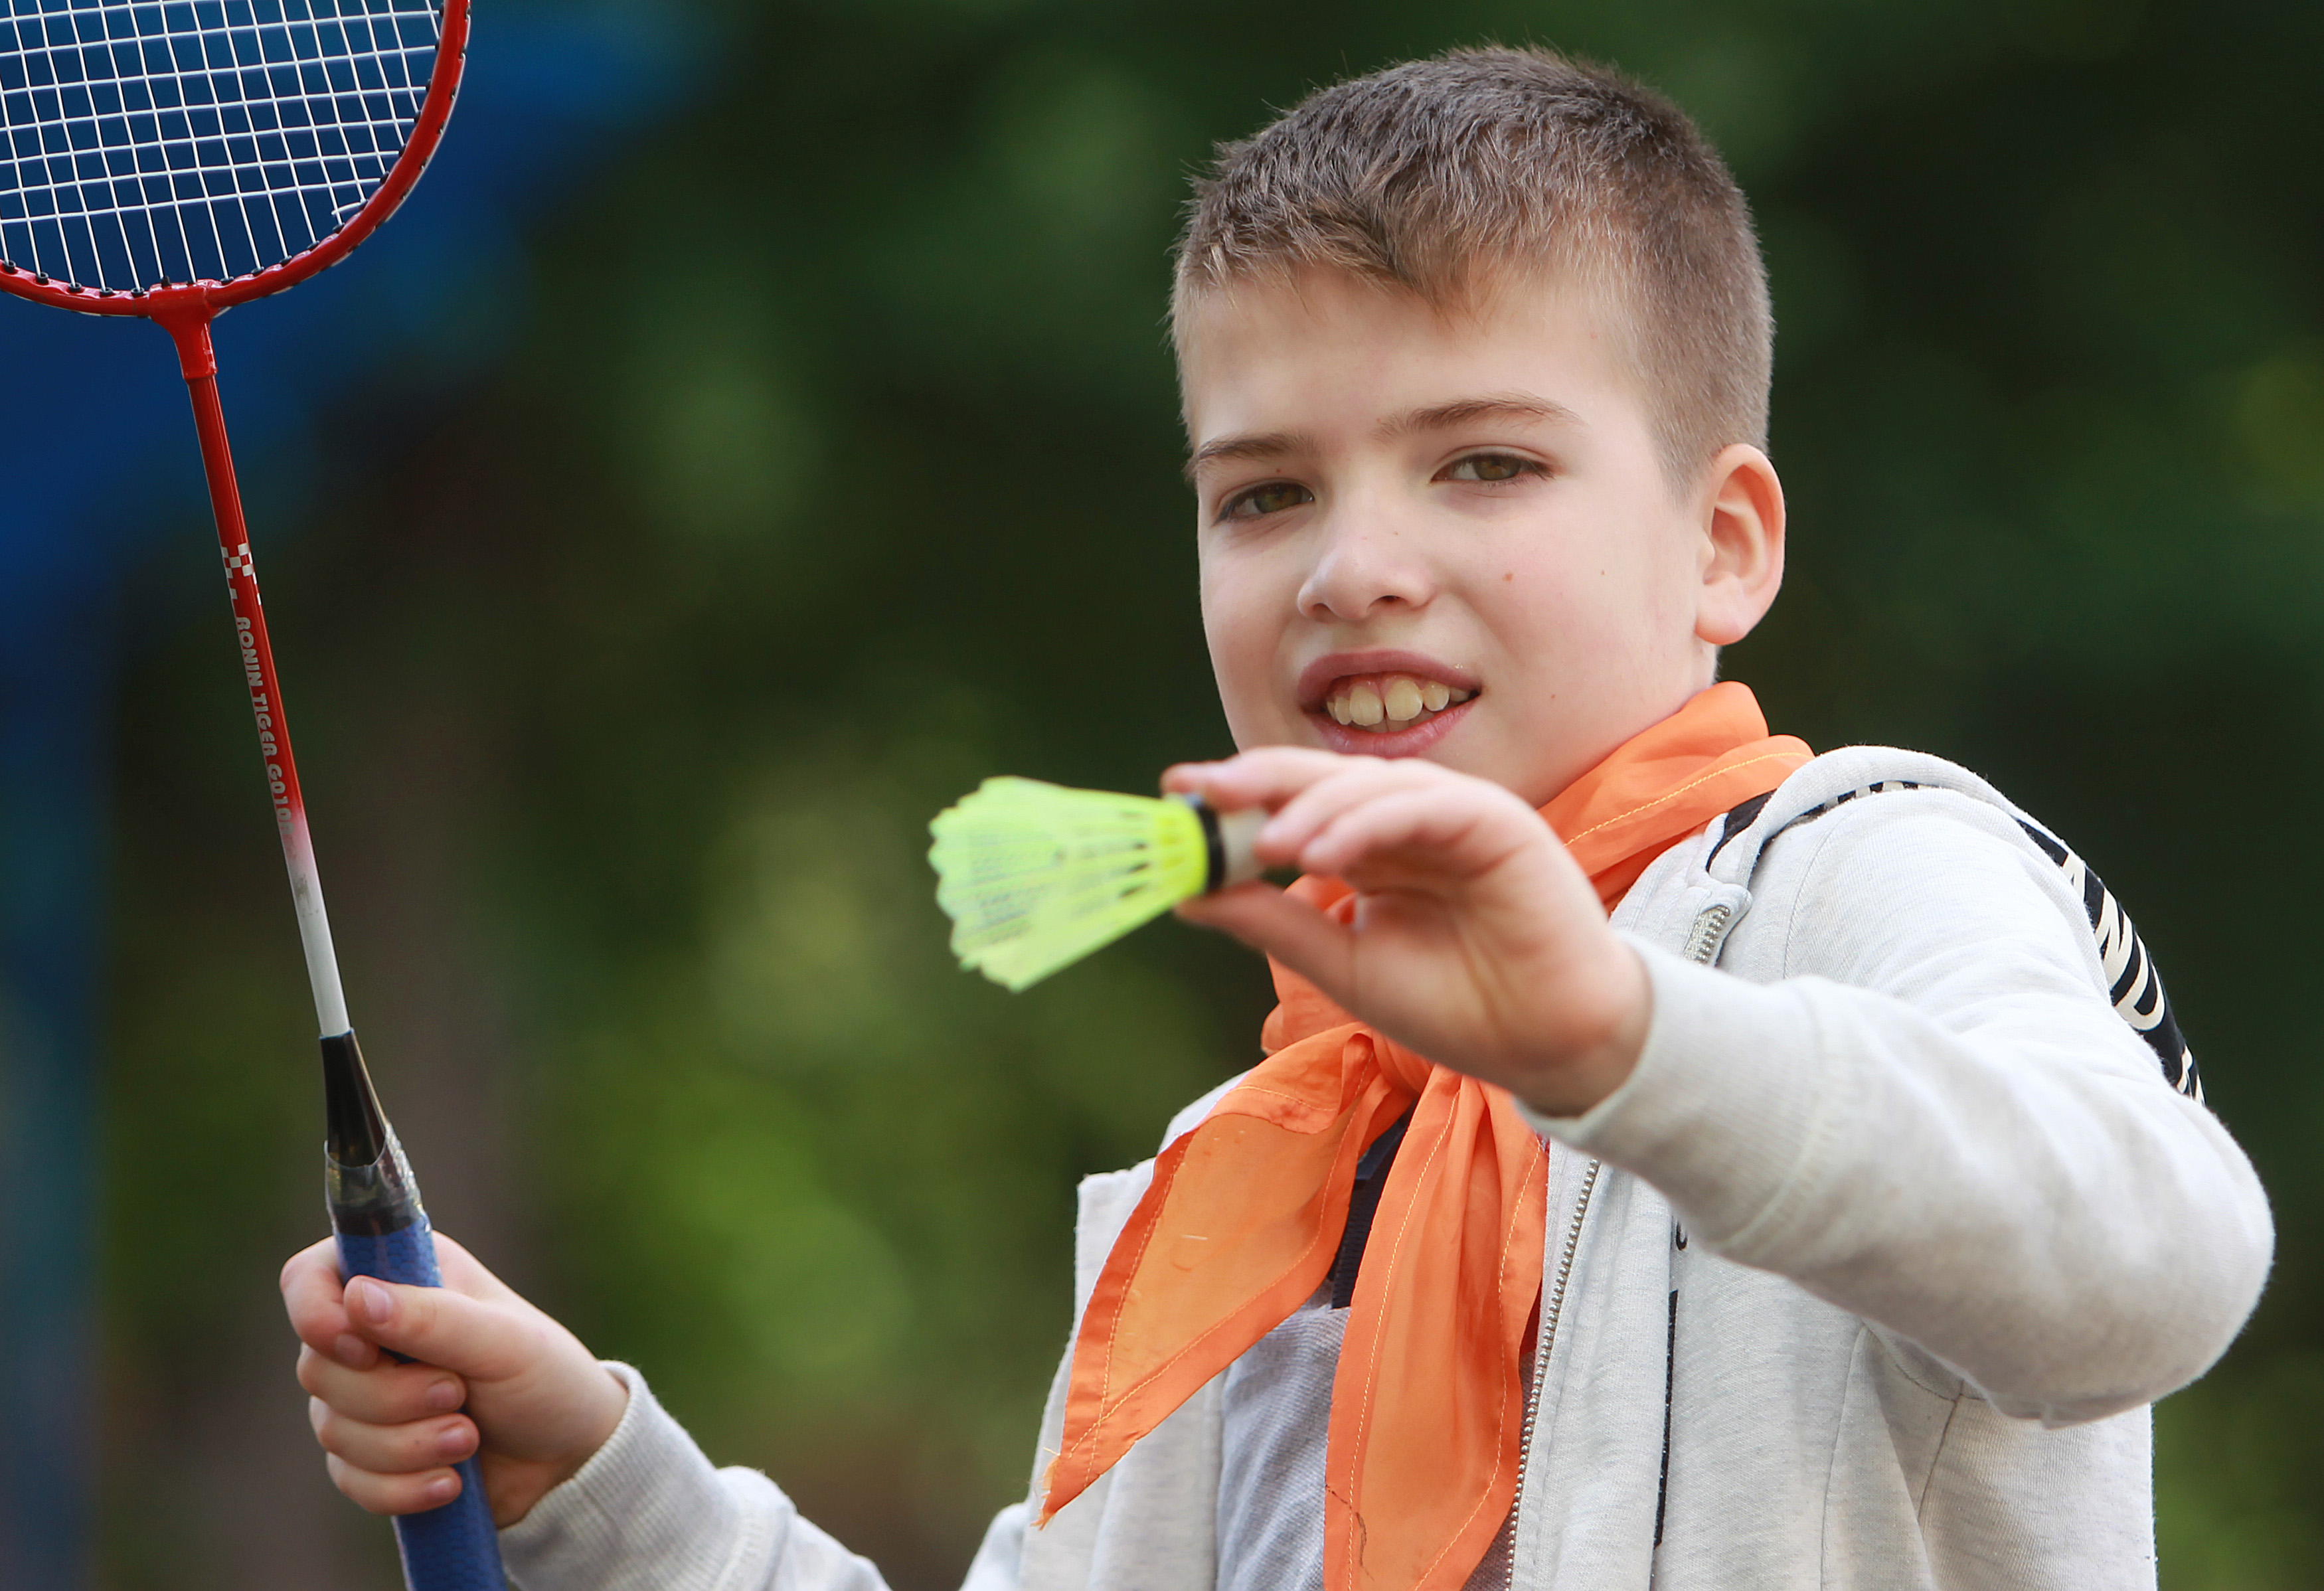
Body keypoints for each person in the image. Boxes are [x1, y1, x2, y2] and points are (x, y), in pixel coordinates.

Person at [280, 46, 2274, 1591]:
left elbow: (2160, 1263)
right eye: (1262, 493)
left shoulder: (1853, 869)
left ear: (1721, 544)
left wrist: (1616, 1042)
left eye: (1482, 462)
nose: (1353, 566)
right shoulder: (1248, 1160)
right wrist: (598, 1483)